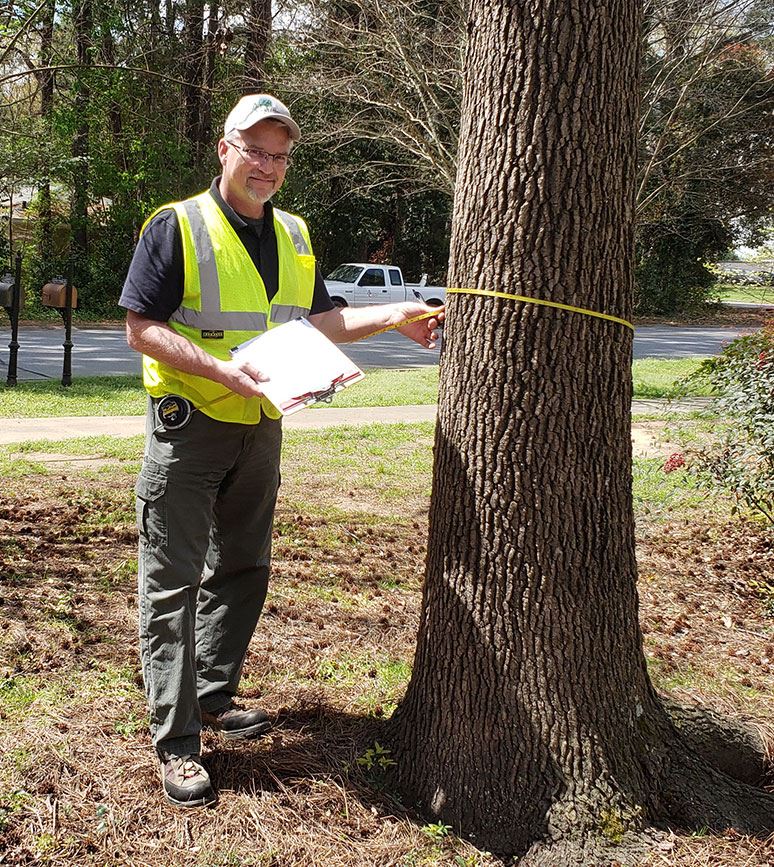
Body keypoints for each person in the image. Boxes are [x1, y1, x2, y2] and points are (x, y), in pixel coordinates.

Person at [119, 93, 442, 809]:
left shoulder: (294, 233)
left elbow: (320, 320)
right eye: (254, 150)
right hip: (189, 421)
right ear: (224, 149)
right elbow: (141, 328)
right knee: (171, 581)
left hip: (263, 421)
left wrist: (395, 316)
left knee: (243, 564)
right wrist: (219, 370)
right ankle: (176, 744)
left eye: (279, 155)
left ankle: (210, 694)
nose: (266, 166)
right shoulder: (177, 226)